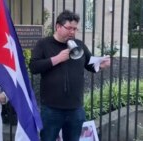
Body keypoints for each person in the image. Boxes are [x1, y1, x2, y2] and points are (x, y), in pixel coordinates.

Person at [29, 10, 111, 141]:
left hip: (75, 109)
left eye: (75, 29)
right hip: (51, 109)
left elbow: (90, 64)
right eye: (69, 28)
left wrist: (101, 65)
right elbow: (33, 67)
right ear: (58, 26)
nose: (72, 32)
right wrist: (56, 59)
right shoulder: (44, 44)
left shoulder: (79, 45)